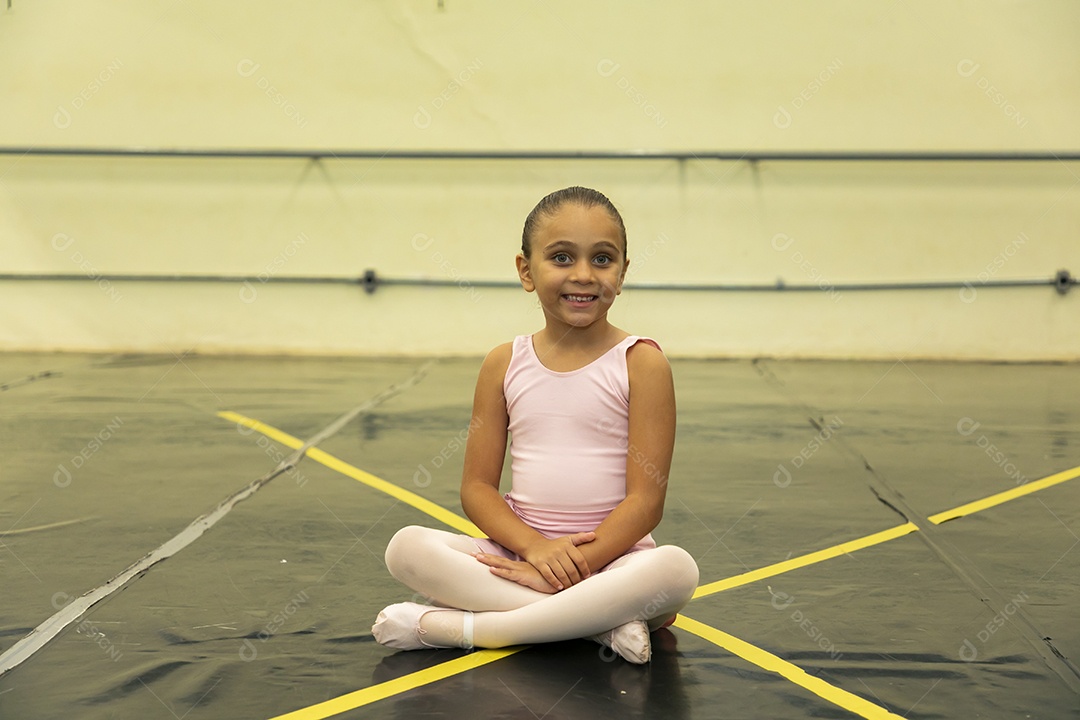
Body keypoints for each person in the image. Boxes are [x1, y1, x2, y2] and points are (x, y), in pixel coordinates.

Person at [372, 186, 699, 663]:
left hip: (616, 561)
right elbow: (477, 489)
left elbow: (646, 502)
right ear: (526, 271)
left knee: (675, 570)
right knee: (407, 548)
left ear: (623, 273)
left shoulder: (641, 363)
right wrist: (536, 552)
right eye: (562, 257)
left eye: (603, 259)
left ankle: (455, 628)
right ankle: (597, 627)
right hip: (520, 553)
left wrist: (579, 564)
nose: (584, 275)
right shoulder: (503, 363)